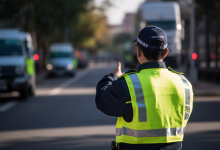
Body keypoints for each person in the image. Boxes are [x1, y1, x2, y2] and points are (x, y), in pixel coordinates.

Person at [95, 26, 193, 150]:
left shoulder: (128, 83)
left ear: (139, 51)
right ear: (166, 52)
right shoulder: (184, 83)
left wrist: (112, 77)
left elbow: (102, 101)